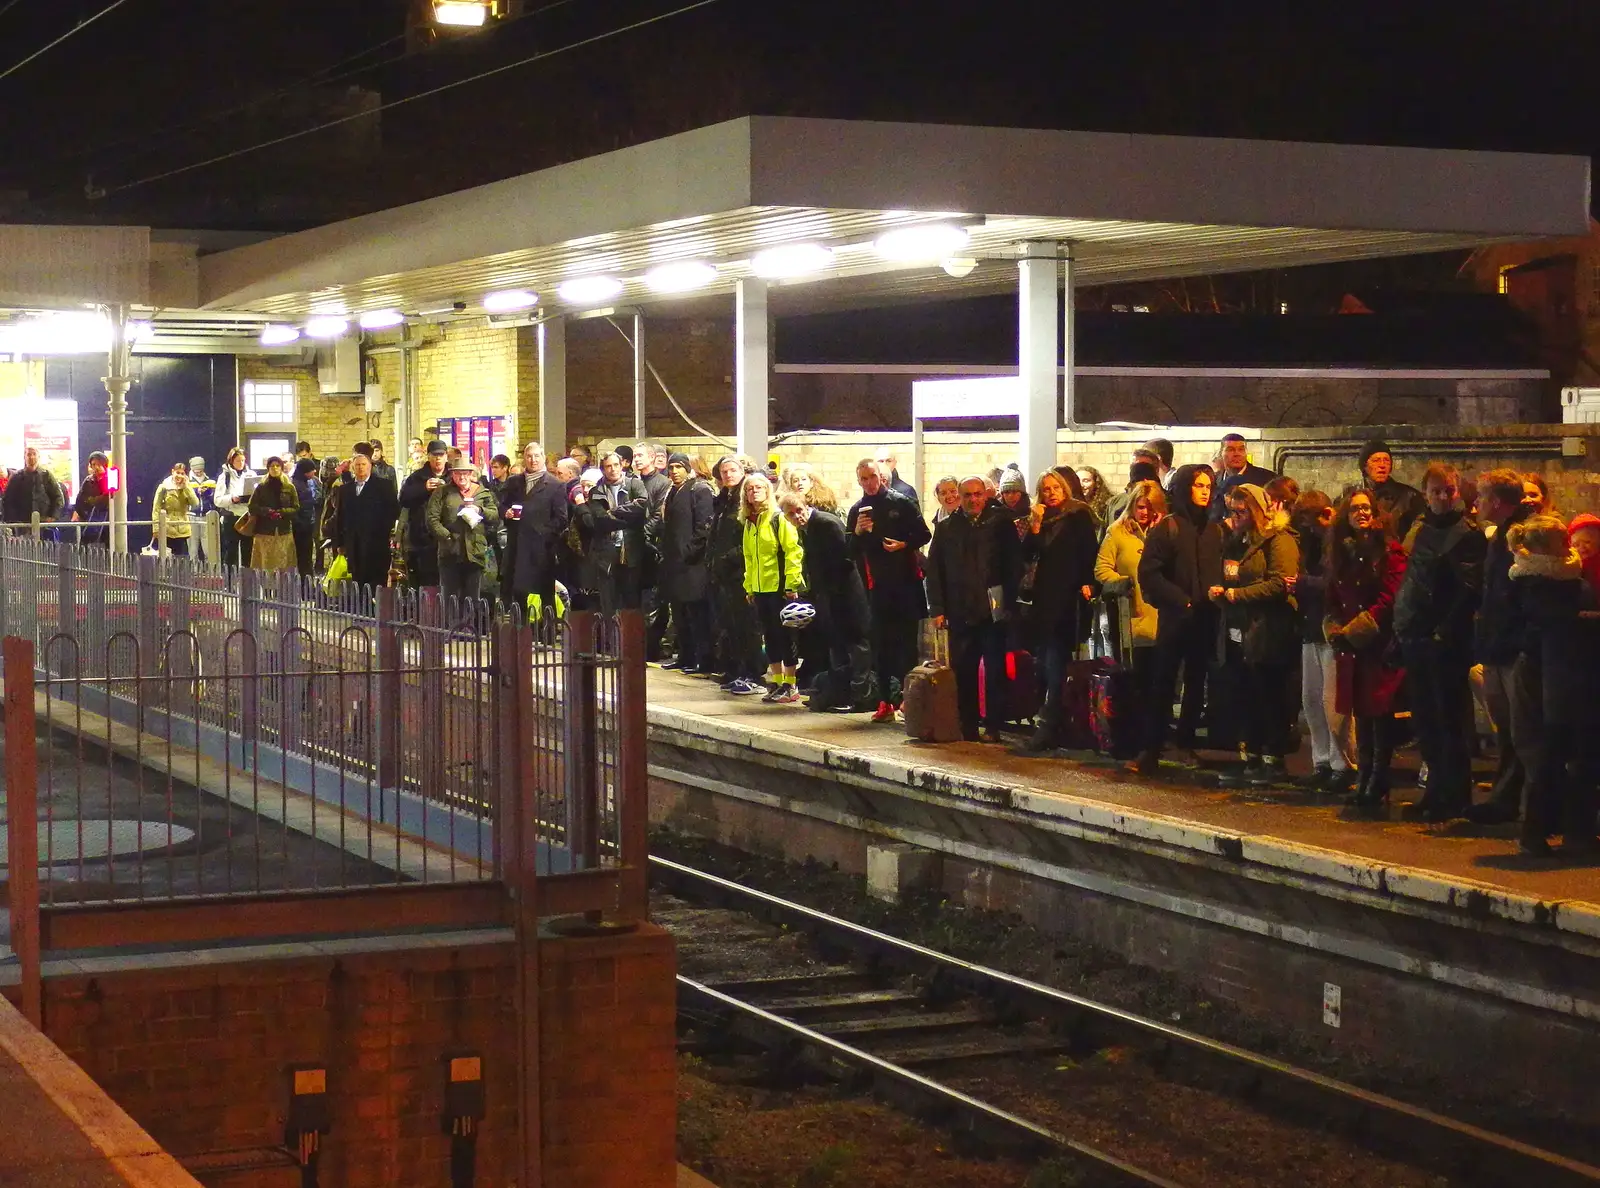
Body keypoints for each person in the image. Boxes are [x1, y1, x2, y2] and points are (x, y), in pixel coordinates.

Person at [1393, 463, 1486, 821]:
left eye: (1449, 490)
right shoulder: (1423, 530)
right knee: (1427, 719)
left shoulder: (1467, 534)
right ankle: (1436, 790)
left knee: (1450, 718)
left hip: (1443, 640)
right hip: (1417, 633)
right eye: (1436, 491)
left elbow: (1467, 589)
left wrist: (1442, 632)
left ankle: (1455, 793)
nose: (1444, 497)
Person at [1507, 514, 1600, 856]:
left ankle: (1570, 832)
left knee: (1571, 757)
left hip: (1566, 676)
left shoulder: (1558, 579)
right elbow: (1553, 625)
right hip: (1552, 680)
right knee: (1552, 756)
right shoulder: (1539, 583)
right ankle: (1542, 833)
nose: (1572, 547)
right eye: (1565, 541)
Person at [1210, 483, 1299, 787]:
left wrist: (1237, 595)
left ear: (1257, 510)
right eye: (1232, 510)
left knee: (1268, 696)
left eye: (1241, 510)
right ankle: (1251, 757)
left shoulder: (1279, 541)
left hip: (1266, 630)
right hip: (1237, 630)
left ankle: (1274, 759)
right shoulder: (1236, 541)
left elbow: (1279, 584)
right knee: (1244, 695)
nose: (1235, 516)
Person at [1323, 490, 1407, 811]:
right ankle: (1365, 777)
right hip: (1351, 648)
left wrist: (1358, 629)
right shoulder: (1341, 554)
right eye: (1355, 508)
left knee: (1379, 715)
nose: (1361, 513)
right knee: (1361, 714)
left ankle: (1378, 781)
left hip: (1378, 646)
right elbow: (1332, 597)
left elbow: (1389, 597)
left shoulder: (1390, 552)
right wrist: (1334, 628)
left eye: (1366, 508)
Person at [926, 476, 1022, 743]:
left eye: (978, 494)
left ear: (985, 495)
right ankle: (968, 725)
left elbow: (1014, 565)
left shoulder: (1001, 524)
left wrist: (1010, 603)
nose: (973, 500)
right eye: (967, 495)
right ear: (960, 497)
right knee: (964, 671)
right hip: (960, 611)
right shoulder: (946, 529)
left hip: (993, 611)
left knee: (994, 671)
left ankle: (993, 725)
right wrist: (937, 608)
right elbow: (934, 571)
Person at [1137, 465, 1221, 770]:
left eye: (1207, 486)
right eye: (1198, 486)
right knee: (1164, 681)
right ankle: (1151, 747)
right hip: (1176, 618)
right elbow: (1149, 573)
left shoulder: (1214, 529)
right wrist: (1180, 600)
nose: (1203, 491)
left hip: (1205, 618)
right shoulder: (1168, 528)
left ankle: (1186, 743)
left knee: (1196, 682)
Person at [1469, 468, 1539, 826]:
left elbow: (1526, 595)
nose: (1476, 503)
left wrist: (1518, 641)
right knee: (1508, 730)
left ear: (1497, 501)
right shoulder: (1500, 538)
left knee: (1523, 731)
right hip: (1498, 645)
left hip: (1513, 648)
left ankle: (1534, 810)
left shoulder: (1525, 536)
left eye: (1481, 497)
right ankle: (1506, 798)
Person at [1017, 468, 1100, 753]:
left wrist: (1088, 584)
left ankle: (1050, 724)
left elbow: (1090, 553)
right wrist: (1036, 525)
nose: (1051, 493)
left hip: (1069, 598)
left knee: (1055, 661)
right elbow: (1028, 553)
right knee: (1046, 662)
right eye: (1046, 489)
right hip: (1044, 599)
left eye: (1055, 488)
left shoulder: (1078, 515)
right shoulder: (1041, 518)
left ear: (1065, 489)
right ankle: (1054, 721)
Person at [847, 457, 932, 722]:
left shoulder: (900, 502)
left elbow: (924, 534)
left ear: (881, 477)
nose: (869, 483)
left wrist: (904, 545)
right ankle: (885, 701)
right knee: (880, 644)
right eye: (864, 479)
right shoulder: (857, 510)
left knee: (907, 643)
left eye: (873, 477)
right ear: (858, 480)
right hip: (876, 586)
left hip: (906, 583)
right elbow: (849, 551)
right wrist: (859, 533)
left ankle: (908, 699)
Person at [779, 492, 874, 712]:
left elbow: (846, 557)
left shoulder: (826, 523)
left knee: (856, 647)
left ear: (807, 506)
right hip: (831, 597)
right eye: (791, 515)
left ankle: (860, 696)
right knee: (838, 647)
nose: (797, 517)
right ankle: (841, 695)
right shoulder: (808, 529)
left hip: (846, 596)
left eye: (799, 511)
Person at [1094, 479, 1163, 743]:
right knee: (1135, 679)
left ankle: (1154, 734)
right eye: (1140, 506)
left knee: (1159, 682)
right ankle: (1132, 735)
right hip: (1132, 618)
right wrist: (1123, 583)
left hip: (1161, 617)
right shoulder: (1118, 532)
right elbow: (1102, 569)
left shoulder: (1166, 529)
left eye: (1150, 507)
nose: (1144, 512)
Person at [741, 472, 805, 704]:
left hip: (779, 588)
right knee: (769, 636)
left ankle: (790, 683)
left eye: (759, 487)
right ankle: (776, 681)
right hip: (760, 588)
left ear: (767, 491)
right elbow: (749, 557)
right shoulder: (749, 522)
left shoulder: (778, 519)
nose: (754, 491)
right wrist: (749, 586)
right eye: (750, 489)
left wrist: (791, 583)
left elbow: (793, 551)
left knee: (784, 636)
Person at [706, 457, 764, 695]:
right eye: (724, 471)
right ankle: (738, 670)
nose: (728, 475)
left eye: (733, 470)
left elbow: (750, 536)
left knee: (747, 626)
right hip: (724, 573)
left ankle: (753, 674)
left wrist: (729, 557)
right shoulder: (725, 499)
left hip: (741, 571)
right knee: (731, 625)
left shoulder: (745, 501)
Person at [658, 453, 715, 672]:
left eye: (678, 467)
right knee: (681, 615)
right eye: (671, 467)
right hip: (675, 565)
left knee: (697, 615)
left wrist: (690, 552)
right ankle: (686, 657)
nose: (673, 471)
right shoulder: (672, 491)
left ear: (687, 468)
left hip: (693, 565)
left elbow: (703, 527)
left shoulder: (698, 490)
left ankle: (704, 659)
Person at [501, 442, 571, 622]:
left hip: (542, 549)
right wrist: (505, 513)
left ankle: (547, 634)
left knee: (545, 594)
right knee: (518, 593)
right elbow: (501, 504)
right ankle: (520, 635)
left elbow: (562, 518)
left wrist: (543, 533)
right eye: (529, 456)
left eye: (536, 456)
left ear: (543, 458)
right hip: (517, 546)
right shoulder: (513, 482)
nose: (533, 460)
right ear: (524, 458)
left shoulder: (555, 485)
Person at [574, 451, 650, 615]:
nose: (613, 469)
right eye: (608, 466)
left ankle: (631, 640)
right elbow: (600, 519)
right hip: (606, 553)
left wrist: (613, 512)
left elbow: (642, 506)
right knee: (609, 603)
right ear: (603, 469)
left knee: (632, 603)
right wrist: (627, 518)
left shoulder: (634, 484)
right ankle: (611, 638)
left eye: (616, 465)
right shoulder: (596, 491)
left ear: (622, 465)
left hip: (631, 551)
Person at [426, 459, 499, 607]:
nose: (462, 477)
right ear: (452, 475)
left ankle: (469, 628)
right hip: (449, 552)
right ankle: (450, 628)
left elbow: (495, 515)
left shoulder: (482, 493)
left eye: (465, 473)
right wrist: (446, 536)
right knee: (450, 599)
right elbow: (431, 519)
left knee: (472, 600)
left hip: (475, 552)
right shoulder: (442, 492)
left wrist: (480, 510)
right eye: (458, 473)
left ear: (471, 474)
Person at [331, 450, 399, 590]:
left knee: (377, 580)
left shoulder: (383, 486)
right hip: (354, 543)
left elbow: (393, 511)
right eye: (357, 465)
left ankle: (376, 609)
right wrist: (339, 542)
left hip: (377, 542)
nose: (360, 467)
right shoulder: (345, 489)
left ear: (370, 467)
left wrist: (385, 531)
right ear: (353, 468)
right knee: (357, 580)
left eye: (363, 464)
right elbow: (340, 517)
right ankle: (360, 609)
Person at [399, 441, 451, 587]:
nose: (438, 459)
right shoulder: (417, 477)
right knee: (425, 582)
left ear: (446, 456)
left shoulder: (454, 476)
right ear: (428, 456)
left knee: (447, 582)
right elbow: (403, 500)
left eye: (441, 455)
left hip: (448, 537)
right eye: (434, 455)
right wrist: (424, 488)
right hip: (422, 538)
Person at [246, 457, 299, 572]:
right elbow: (252, 507)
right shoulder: (261, 487)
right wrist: (266, 511)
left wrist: (282, 512)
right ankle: (266, 587)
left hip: (283, 531)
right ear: (268, 469)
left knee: (283, 565)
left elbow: (295, 508)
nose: (275, 468)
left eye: (277, 466)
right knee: (266, 565)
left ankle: (283, 588)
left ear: (281, 468)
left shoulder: (289, 487)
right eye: (272, 466)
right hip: (264, 531)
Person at [1208, 433, 1275, 522]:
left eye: (1241, 449)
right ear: (1221, 453)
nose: (1237, 454)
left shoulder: (1267, 479)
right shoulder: (1212, 480)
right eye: (1231, 449)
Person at [2, 446, 64, 529]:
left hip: (44, 524)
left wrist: (53, 517)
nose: (31, 457)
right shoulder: (16, 477)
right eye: (29, 454)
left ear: (39, 457)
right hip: (21, 524)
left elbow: (58, 497)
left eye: (34, 454)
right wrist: (13, 521)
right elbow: (7, 500)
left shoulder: (46, 475)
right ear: (25, 457)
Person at [214, 447, 256, 567]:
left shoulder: (251, 475)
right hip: (231, 517)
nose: (241, 463)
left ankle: (247, 582)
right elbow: (217, 500)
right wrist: (232, 499)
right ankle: (229, 581)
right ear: (231, 461)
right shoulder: (224, 477)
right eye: (238, 461)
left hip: (246, 517)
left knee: (248, 551)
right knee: (231, 552)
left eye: (243, 460)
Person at [150, 462, 199, 557]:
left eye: (182, 473)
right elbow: (156, 508)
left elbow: (195, 503)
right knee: (167, 559)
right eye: (178, 472)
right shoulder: (164, 487)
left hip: (182, 529)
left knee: (183, 558)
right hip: (167, 529)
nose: (179, 476)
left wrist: (186, 487)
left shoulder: (186, 488)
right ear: (173, 472)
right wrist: (156, 528)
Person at [73, 452, 111, 546]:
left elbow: (108, 498)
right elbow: (80, 500)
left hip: (108, 521)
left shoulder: (110, 479)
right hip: (90, 520)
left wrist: (92, 500)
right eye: (94, 464)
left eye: (99, 464)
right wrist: (84, 515)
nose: (96, 467)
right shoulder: (88, 480)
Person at [290, 458, 321, 576]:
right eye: (311, 470)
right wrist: (301, 524)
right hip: (301, 527)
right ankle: (305, 586)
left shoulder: (306, 482)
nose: (314, 473)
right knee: (304, 558)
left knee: (307, 558)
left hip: (307, 524)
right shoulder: (296, 485)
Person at [187, 456, 216, 560]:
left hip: (206, 516)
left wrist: (208, 492)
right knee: (192, 545)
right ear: (192, 468)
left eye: (200, 470)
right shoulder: (187, 481)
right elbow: (185, 498)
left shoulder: (210, 481)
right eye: (196, 470)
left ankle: (210, 570)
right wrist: (196, 492)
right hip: (192, 516)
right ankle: (194, 570)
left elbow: (215, 499)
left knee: (208, 545)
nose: (198, 472)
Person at [996, 469, 1032, 538]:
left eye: (1014, 491)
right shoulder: (995, 514)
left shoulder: (1032, 512)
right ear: (1002, 495)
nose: (1010, 496)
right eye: (1006, 492)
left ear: (1022, 493)